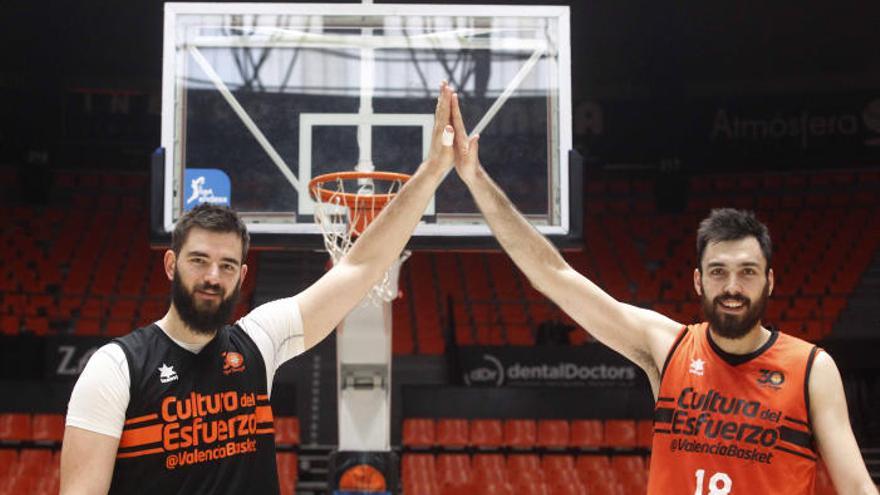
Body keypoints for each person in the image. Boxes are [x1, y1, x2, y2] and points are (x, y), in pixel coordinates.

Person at [447, 97, 878, 494]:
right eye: (718, 272)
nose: (732, 287)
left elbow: (857, 488)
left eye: (748, 272)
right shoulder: (667, 347)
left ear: (770, 282)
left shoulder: (811, 369)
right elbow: (553, 274)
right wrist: (476, 178)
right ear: (698, 281)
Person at [59, 82, 459, 495]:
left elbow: (358, 266)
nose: (213, 276)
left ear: (242, 275)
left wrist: (430, 173)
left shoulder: (260, 342)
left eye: (227, 265)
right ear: (170, 264)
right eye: (199, 260)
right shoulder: (117, 367)